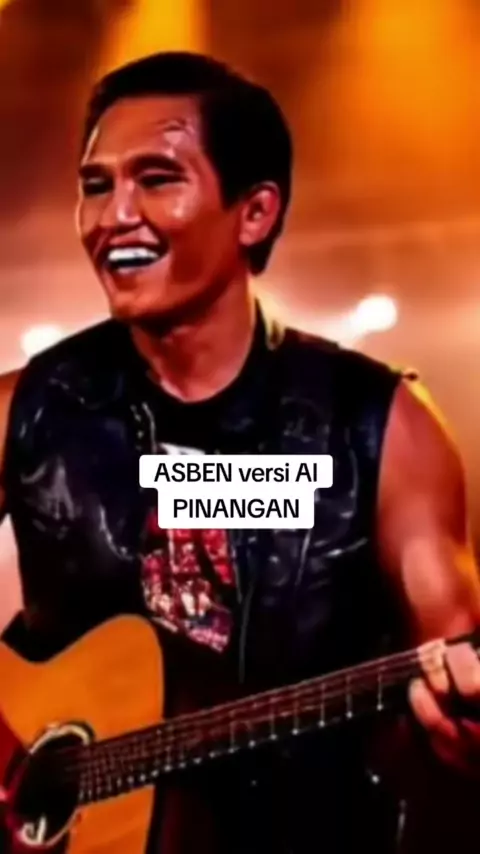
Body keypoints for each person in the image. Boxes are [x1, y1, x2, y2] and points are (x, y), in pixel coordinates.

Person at [0, 51, 480, 853]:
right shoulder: (27, 408)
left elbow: (457, 669)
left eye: (157, 178)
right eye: (96, 185)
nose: (115, 215)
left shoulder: (382, 424)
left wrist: (457, 739)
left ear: (254, 212)